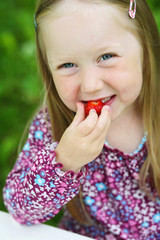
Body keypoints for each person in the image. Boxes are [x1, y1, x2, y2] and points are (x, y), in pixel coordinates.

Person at [3, 0, 160, 239]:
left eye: (106, 56)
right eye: (67, 64)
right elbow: (19, 211)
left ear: (145, 49)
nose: (90, 85)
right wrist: (64, 161)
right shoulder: (52, 125)